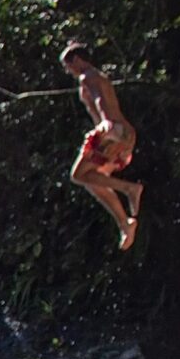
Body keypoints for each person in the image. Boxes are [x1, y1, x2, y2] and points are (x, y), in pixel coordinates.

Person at [62, 42, 144, 251]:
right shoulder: (98, 76)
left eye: (68, 65)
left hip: (112, 132)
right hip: (125, 134)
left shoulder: (87, 77)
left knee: (77, 175)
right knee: (93, 181)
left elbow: (100, 102)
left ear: (77, 60)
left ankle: (129, 189)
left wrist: (105, 125)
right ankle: (125, 223)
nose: (68, 71)